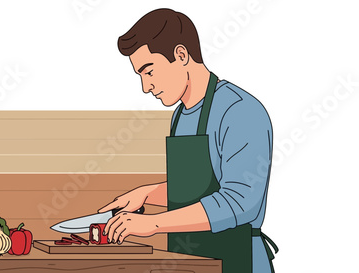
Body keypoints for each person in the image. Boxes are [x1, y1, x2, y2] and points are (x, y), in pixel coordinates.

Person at [98, 8, 278, 273]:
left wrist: (153, 224)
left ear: (181, 55)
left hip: (237, 262)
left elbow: (240, 201)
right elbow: (198, 188)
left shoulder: (240, 111)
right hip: (189, 262)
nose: (146, 87)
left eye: (149, 72)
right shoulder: (180, 116)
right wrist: (146, 194)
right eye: (140, 76)